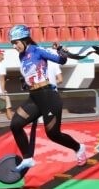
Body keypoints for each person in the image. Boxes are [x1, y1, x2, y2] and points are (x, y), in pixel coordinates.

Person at [6, 24, 86, 172]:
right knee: (15, 125)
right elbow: (30, 73)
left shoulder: (37, 50)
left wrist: (61, 50)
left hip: (48, 96)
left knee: (53, 134)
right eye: (12, 44)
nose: (14, 47)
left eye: (15, 43)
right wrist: (25, 82)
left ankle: (79, 148)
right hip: (34, 98)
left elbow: (61, 61)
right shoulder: (21, 56)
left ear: (24, 40)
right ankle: (28, 158)